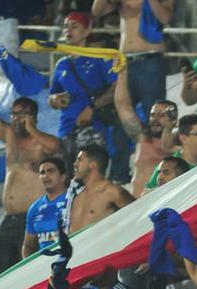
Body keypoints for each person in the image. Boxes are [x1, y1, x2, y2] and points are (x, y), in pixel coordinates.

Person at [0, 59, 61, 269]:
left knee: (30, 272)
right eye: (14, 114)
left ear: (34, 117)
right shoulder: (9, 136)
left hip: (33, 220)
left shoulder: (42, 143)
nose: (17, 118)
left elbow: (55, 147)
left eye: (23, 114)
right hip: (8, 218)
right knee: (0, 270)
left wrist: (32, 129)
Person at [88, 0, 172, 150]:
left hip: (150, 60)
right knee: (121, 120)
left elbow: (164, 18)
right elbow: (97, 11)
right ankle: (119, 172)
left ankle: (158, 165)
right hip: (125, 61)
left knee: (155, 118)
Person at [47, 12, 118, 170]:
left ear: (87, 31)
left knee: (91, 177)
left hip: (94, 129)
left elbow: (116, 89)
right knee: (69, 180)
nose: (68, 30)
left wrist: (91, 108)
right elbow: (51, 96)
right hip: (67, 130)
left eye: (74, 26)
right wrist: (54, 100)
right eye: (66, 26)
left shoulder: (99, 58)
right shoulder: (61, 64)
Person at [112, 66, 177, 194]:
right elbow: (122, 106)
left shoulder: (178, 142)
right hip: (135, 204)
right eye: (153, 115)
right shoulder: (142, 136)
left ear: (173, 119)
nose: (155, 119)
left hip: (160, 206)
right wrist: (122, 72)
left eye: (162, 115)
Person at [22, 157, 69, 259]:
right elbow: (28, 246)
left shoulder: (74, 200)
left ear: (63, 176)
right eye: (42, 173)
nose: (45, 176)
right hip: (46, 267)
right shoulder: (34, 208)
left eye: (50, 171)